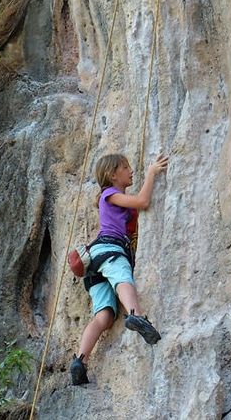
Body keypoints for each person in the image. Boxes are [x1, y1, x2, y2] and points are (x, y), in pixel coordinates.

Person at [70, 152, 169, 385]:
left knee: (104, 316)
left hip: (95, 263)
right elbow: (143, 202)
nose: (131, 171)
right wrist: (151, 173)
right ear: (112, 175)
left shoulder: (112, 199)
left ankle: (81, 361)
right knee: (122, 276)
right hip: (109, 249)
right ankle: (136, 315)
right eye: (125, 167)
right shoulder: (109, 194)